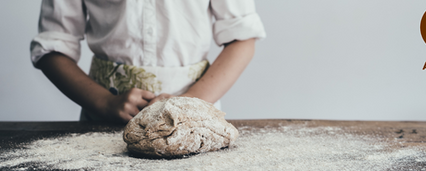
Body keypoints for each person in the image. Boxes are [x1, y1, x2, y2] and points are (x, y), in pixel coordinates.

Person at [31, 0, 266, 123]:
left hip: (194, 116)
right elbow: (52, 47)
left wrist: (189, 103)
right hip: (104, 119)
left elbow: (242, 39)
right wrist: (105, 103)